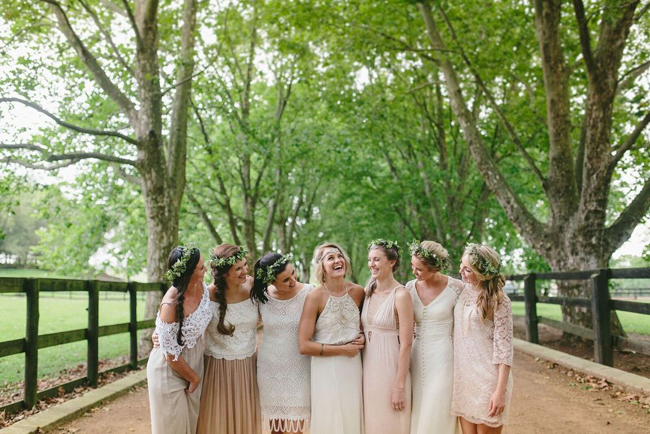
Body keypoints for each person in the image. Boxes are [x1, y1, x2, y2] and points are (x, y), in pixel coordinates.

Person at [298, 242, 365, 434]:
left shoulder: (359, 292)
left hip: (353, 367)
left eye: (339, 256)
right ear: (322, 267)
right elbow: (303, 345)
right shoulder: (315, 297)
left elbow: (365, 326)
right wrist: (343, 349)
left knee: (352, 415)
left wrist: (362, 337)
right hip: (325, 368)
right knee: (331, 417)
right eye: (330, 257)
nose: (337, 260)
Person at [147, 245, 212, 434]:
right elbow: (170, 354)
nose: (205, 270)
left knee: (192, 428)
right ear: (187, 273)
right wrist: (194, 378)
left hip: (194, 365)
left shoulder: (203, 288)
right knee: (173, 428)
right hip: (170, 370)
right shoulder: (171, 303)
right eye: (200, 268)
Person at [197, 244, 262, 434]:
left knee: (245, 419)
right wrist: (159, 332)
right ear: (224, 273)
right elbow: (183, 316)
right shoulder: (206, 294)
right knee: (217, 420)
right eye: (238, 268)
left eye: (245, 265)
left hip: (247, 364)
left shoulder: (252, 286)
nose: (245, 271)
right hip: (217, 367)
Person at [452, 244, 513, 434]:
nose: (461, 271)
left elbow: (505, 349)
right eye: (462, 266)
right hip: (465, 379)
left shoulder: (500, 300)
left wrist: (499, 391)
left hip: (489, 381)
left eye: (468, 269)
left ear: (483, 273)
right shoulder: (462, 290)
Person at [251, 252, 313, 434]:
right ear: (271, 282)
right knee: (275, 428)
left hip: (300, 368)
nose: (293, 280)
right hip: (270, 369)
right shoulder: (261, 297)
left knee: (297, 425)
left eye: (293, 273)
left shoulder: (310, 293)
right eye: (285, 280)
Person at [406, 240, 463, 434]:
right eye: (412, 266)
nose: (415, 272)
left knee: (437, 405)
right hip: (415, 355)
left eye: (419, 269)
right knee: (418, 405)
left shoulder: (457, 288)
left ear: (435, 268)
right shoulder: (409, 288)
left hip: (443, 356)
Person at [362, 239, 413, 434]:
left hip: (391, 370)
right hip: (368, 371)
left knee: (392, 425)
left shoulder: (401, 295)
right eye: (369, 260)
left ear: (391, 262)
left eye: (377, 259)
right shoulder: (367, 292)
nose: (371, 264)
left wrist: (399, 386)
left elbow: (407, 344)